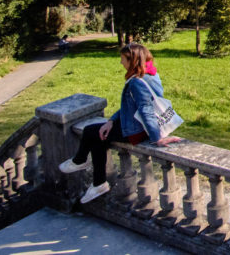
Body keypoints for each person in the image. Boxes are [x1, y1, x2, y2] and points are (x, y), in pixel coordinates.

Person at [58, 43, 180, 204]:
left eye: (123, 59)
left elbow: (146, 109)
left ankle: (80, 161)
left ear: (132, 60)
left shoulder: (136, 81)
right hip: (136, 124)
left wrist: (156, 137)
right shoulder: (150, 74)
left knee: (89, 131)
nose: (121, 63)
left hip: (134, 131)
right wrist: (111, 121)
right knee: (99, 138)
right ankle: (98, 183)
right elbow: (129, 106)